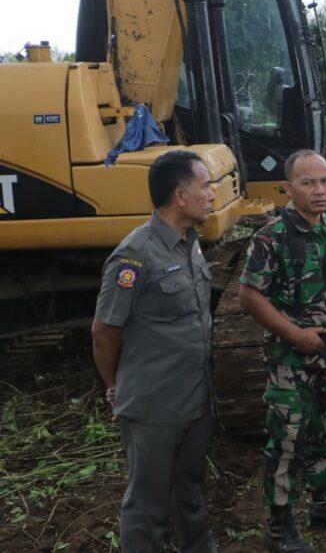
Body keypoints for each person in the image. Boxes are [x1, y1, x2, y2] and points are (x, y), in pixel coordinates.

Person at [238, 150, 326, 553]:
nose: (319, 190)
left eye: (325, 181)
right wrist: (295, 335)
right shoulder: (272, 237)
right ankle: (280, 527)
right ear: (288, 188)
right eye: (308, 183)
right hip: (290, 361)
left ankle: (325, 507)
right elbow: (249, 296)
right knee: (287, 439)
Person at [91, 149, 219, 553]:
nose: (213, 194)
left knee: (189, 490)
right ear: (180, 196)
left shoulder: (189, 242)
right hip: (154, 406)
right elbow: (104, 330)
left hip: (195, 397)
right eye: (206, 186)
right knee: (147, 505)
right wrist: (115, 383)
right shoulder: (135, 255)